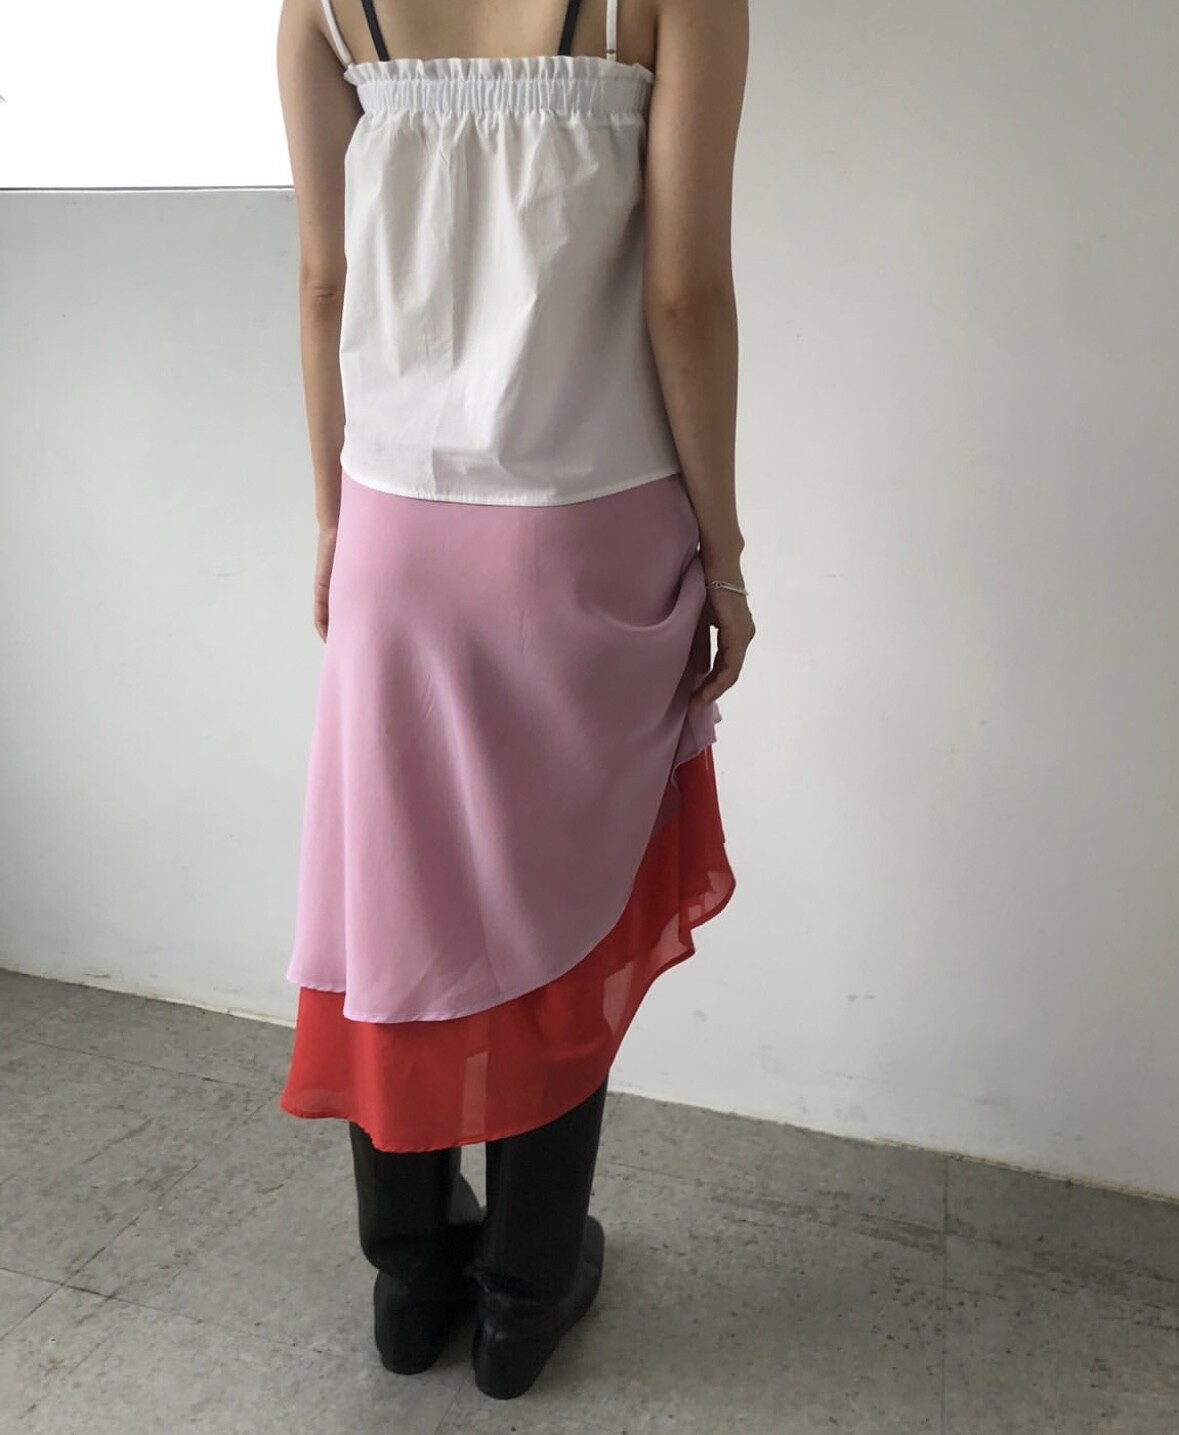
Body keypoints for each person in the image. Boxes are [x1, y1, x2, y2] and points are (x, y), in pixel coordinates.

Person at [275, 0, 752, 1400]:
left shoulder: (323, 10)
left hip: (395, 523)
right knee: (564, 900)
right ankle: (523, 1300)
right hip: (588, 525)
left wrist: (333, 522)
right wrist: (725, 556)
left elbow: (324, 279)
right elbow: (684, 294)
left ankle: (413, 1279)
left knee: (397, 898)